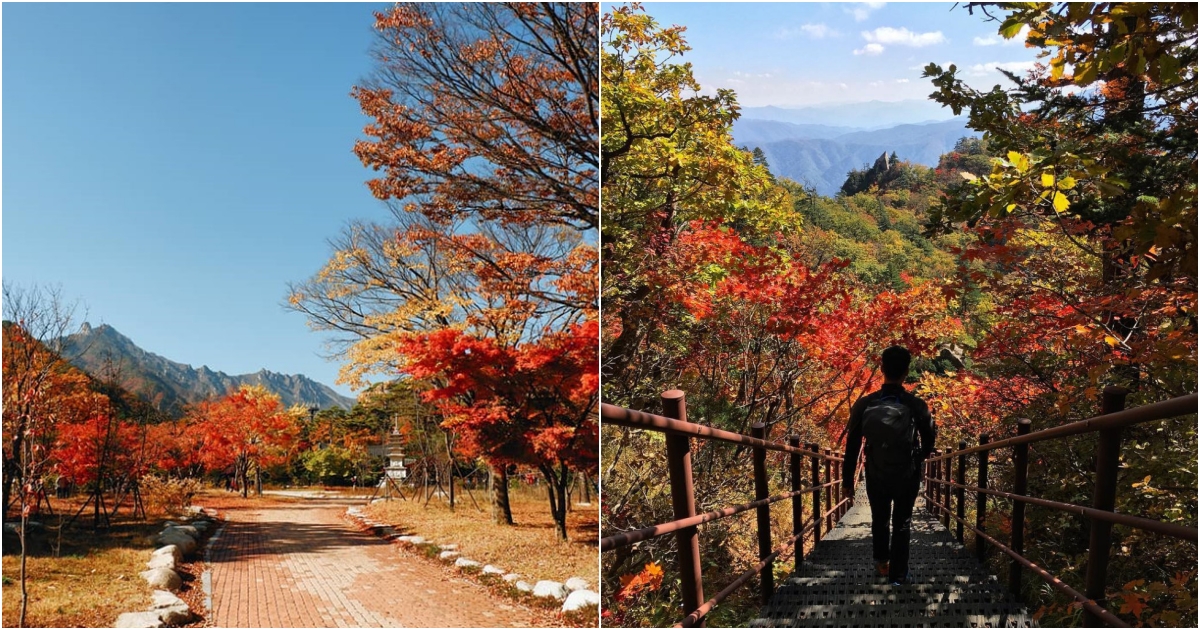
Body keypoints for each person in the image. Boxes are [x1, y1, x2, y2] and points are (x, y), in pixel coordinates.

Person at [841, 345, 936, 585]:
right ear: (906, 371)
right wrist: (917, 459)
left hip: (876, 471)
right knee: (902, 522)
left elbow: (852, 446)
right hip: (907, 473)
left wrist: (847, 483)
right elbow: (930, 439)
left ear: (881, 368)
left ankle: (882, 564)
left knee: (880, 519)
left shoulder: (864, 404)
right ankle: (899, 575)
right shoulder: (916, 405)